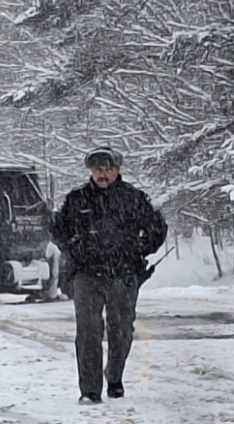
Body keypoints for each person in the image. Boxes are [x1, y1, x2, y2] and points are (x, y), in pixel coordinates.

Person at [50, 147, 167, 405]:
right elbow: (58, 231)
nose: (102, 174)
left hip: (123, 274)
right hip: (87, 275)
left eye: (107, 168)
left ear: (117, 170)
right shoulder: (77, 199)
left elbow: (157, 230)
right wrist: (75, 247)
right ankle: (90, 390)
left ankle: (114, 376)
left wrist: (138, 249)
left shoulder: (134, 199)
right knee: (89, 332)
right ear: (91, 171)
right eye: (98, 169)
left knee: (121, 331)